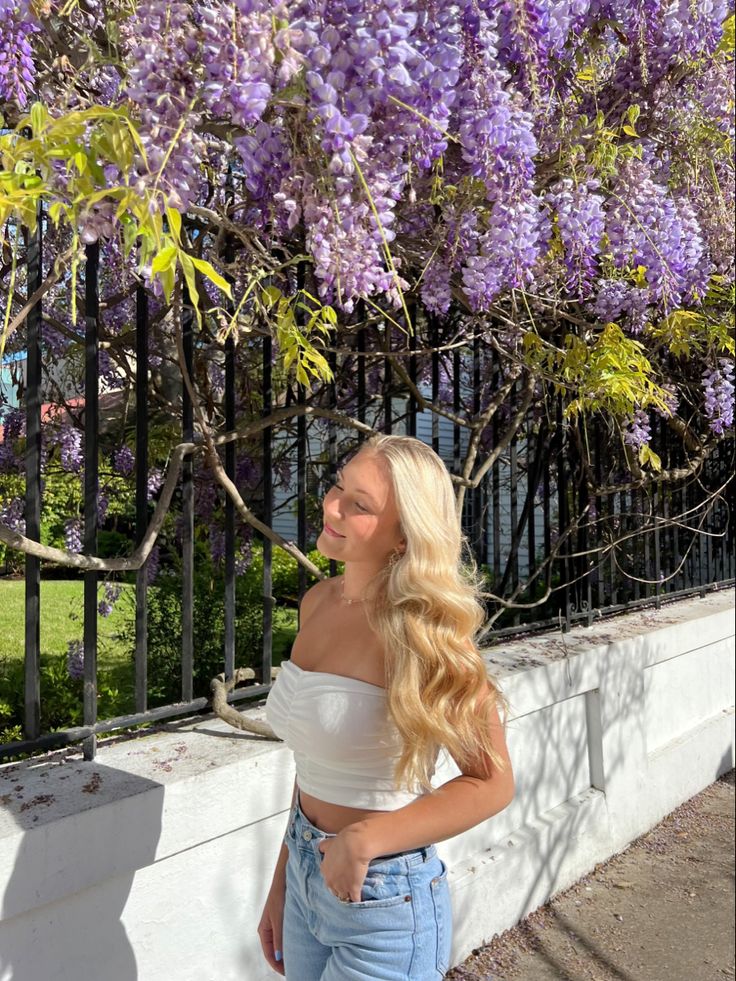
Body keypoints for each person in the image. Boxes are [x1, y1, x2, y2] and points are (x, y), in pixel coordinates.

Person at [258, 433, 515, 980]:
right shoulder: (317, 603)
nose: (332, 507)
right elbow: (313, 768)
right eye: (338, 488)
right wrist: (284, 879)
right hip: (311, 875)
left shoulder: (423, 633)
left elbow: (491, 782)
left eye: (360, 504)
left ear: (404, 535)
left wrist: (367, 839)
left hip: (386, 899)